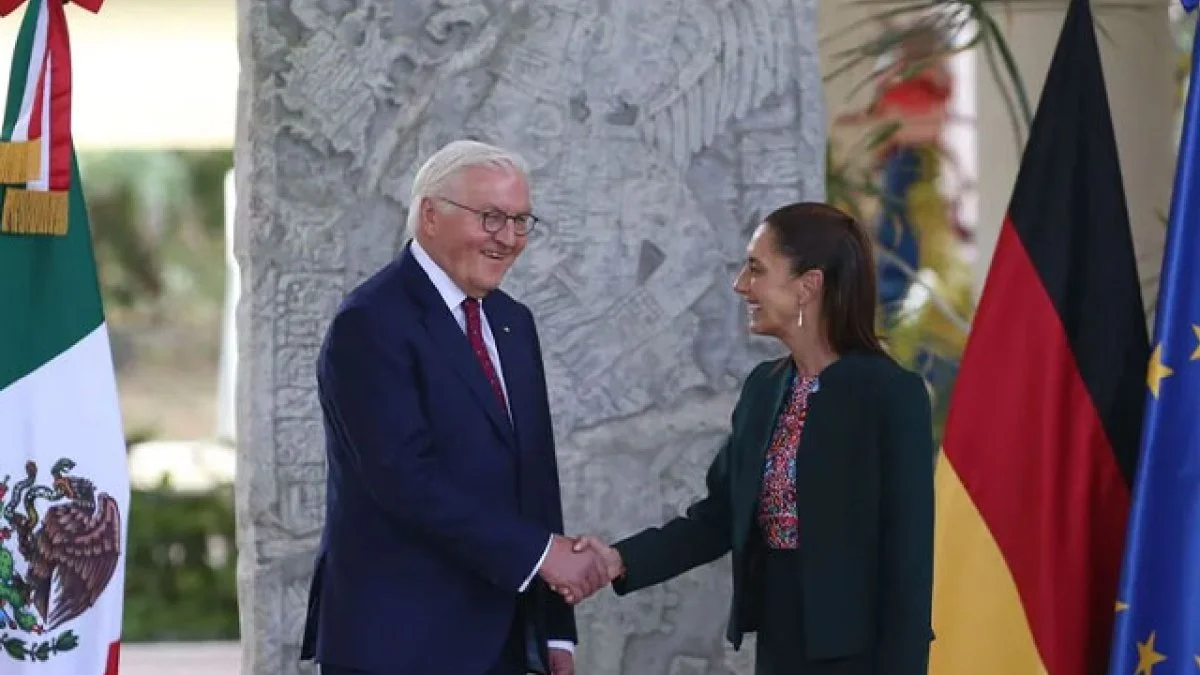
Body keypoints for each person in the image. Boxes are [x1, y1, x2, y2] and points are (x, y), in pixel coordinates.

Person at [569, 202, 935, 675]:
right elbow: (718, 516)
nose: (740, 284)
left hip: (861, 658)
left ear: (808, 285)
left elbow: (909, 566)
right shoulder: (765, 387)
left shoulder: (890, 394)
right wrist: (619, 560)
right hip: (780, 643)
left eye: (757, 269)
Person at [299, 140, 608, 675]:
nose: (508, 238)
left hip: (503, 641)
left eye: (521, 220)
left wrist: (556, 631)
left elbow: (535, 477)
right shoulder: (371, 322)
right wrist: (542, 555)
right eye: (491, 217)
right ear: (430, 215)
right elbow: (403, 478)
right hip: (399, 644)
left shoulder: (513, 322)